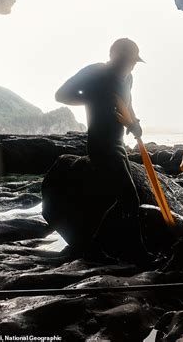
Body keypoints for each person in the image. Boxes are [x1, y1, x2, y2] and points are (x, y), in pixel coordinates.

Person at [55, 38, 144, 236]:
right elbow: (61, 95)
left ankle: (102, 245)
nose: (130, 66)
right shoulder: (95, 72)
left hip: (118, 144)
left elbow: (127, 104)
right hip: (100, 144)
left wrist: (134, 122)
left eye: (133, 62)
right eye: (126, 61)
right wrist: (93, 98)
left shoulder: (129, 78)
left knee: (122, 199)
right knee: (130, 199)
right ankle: (136, 252)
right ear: (113, 56)